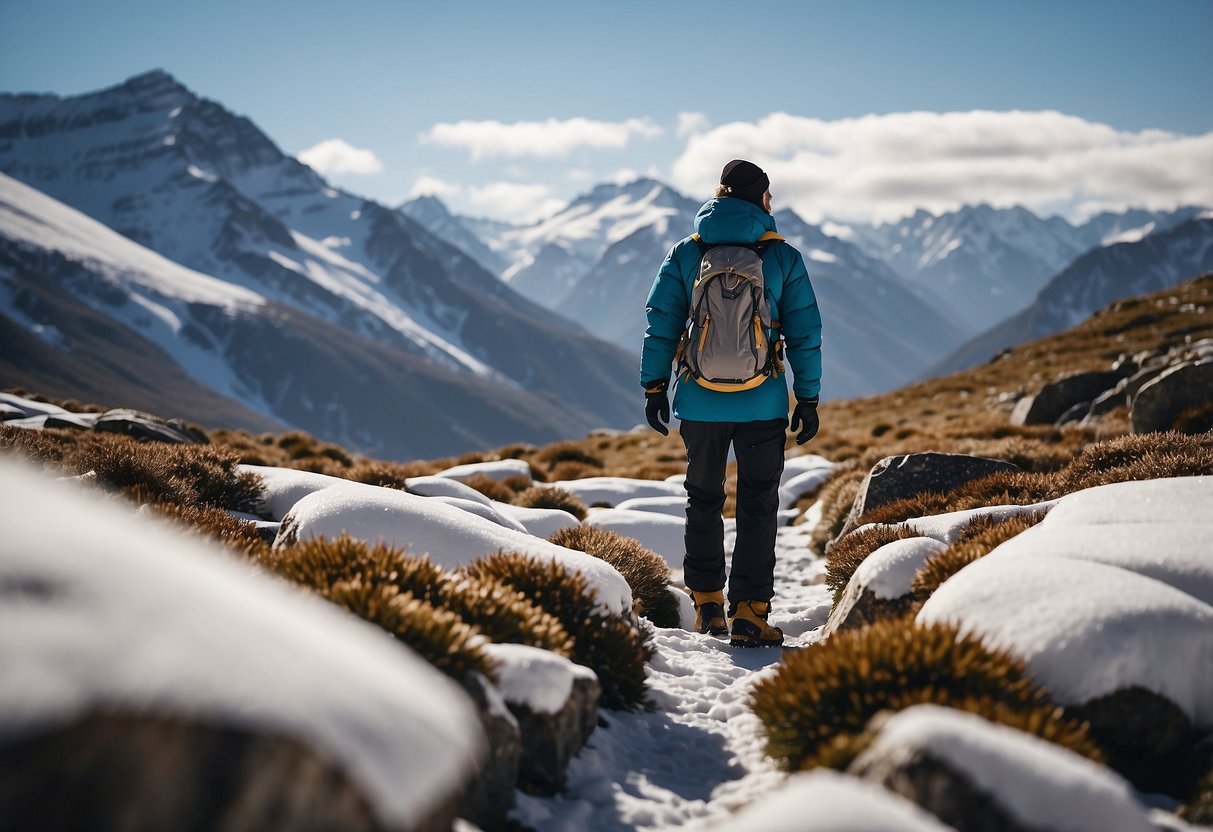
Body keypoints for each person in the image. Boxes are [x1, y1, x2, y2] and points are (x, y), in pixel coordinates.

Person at [640, 159, 822, 647]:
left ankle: (707, 607)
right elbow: (805, 333)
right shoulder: (781, 258)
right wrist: (807, 398)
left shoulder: (686, 252)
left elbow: (662, 323)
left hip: (699, 402)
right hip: (763, 402)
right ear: (762, 198)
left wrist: (654, 387)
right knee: (759, 505)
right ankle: (750, 611)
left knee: (703, 501)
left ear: (720, 195)